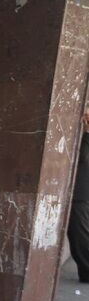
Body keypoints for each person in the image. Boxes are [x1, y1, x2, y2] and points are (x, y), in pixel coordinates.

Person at [67, 110, 89, 283]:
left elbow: (83, 157)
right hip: (80, 194)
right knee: (79, 234)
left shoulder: (84, 140)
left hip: (81, 194)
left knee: (79, 234)